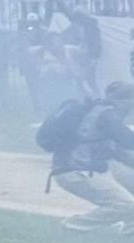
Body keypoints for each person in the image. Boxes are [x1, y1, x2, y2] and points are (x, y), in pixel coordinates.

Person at [48, 82, 134, 232]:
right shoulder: (106, 116)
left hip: (88, 168)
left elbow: (119, 153)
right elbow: (128, 140)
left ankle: (131, 228)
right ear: (124, 100)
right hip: (77, 171)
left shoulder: (98, 113)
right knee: (126, 205)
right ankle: (74, 225)